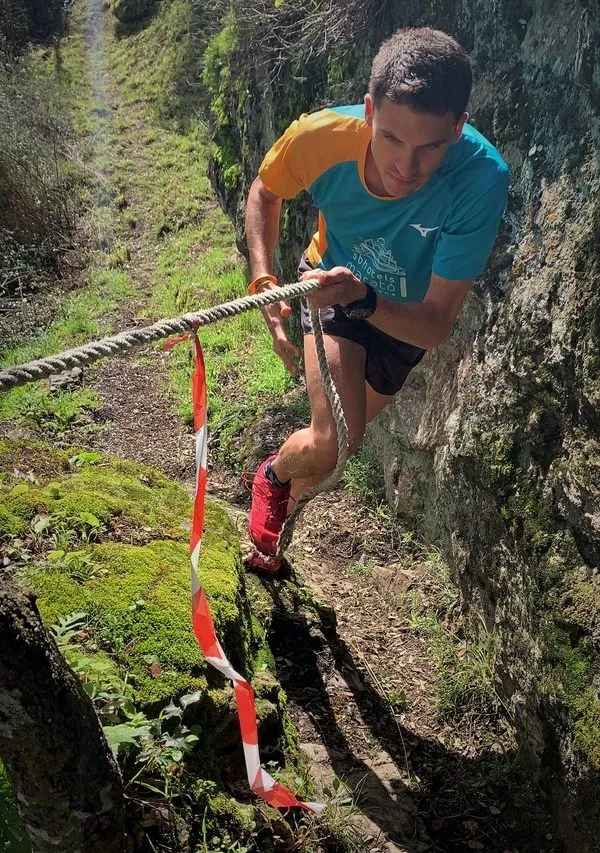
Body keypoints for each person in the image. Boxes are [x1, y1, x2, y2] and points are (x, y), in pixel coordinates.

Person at [244, 26, 509, 563]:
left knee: (343, 447)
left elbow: (435, 323)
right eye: (390, 138)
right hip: (331, 286)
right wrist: (265, 281)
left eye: (429, 147)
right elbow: (265, 192)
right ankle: (271, 482)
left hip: (403, 319)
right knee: (333, 440)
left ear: (458, 128)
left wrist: (368, 299)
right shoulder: (319, 138)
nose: (405, 168)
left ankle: (282, 503)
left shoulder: (480, 179)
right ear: (368, 110)